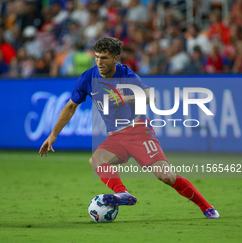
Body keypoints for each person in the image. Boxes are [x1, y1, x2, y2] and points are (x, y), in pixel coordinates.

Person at [39, 37, 219, 219]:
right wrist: (53, 134)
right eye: (97, 57)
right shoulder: (88, 77)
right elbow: (70, 106)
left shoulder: (127, 76)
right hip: (116, 136)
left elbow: (152, 97)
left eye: (104, 58)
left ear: (116, 59)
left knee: (166, 177)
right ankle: (122, 193)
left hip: (139, 132)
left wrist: (127, 98)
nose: (99, 62)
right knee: (97, 160)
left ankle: (206, 206)